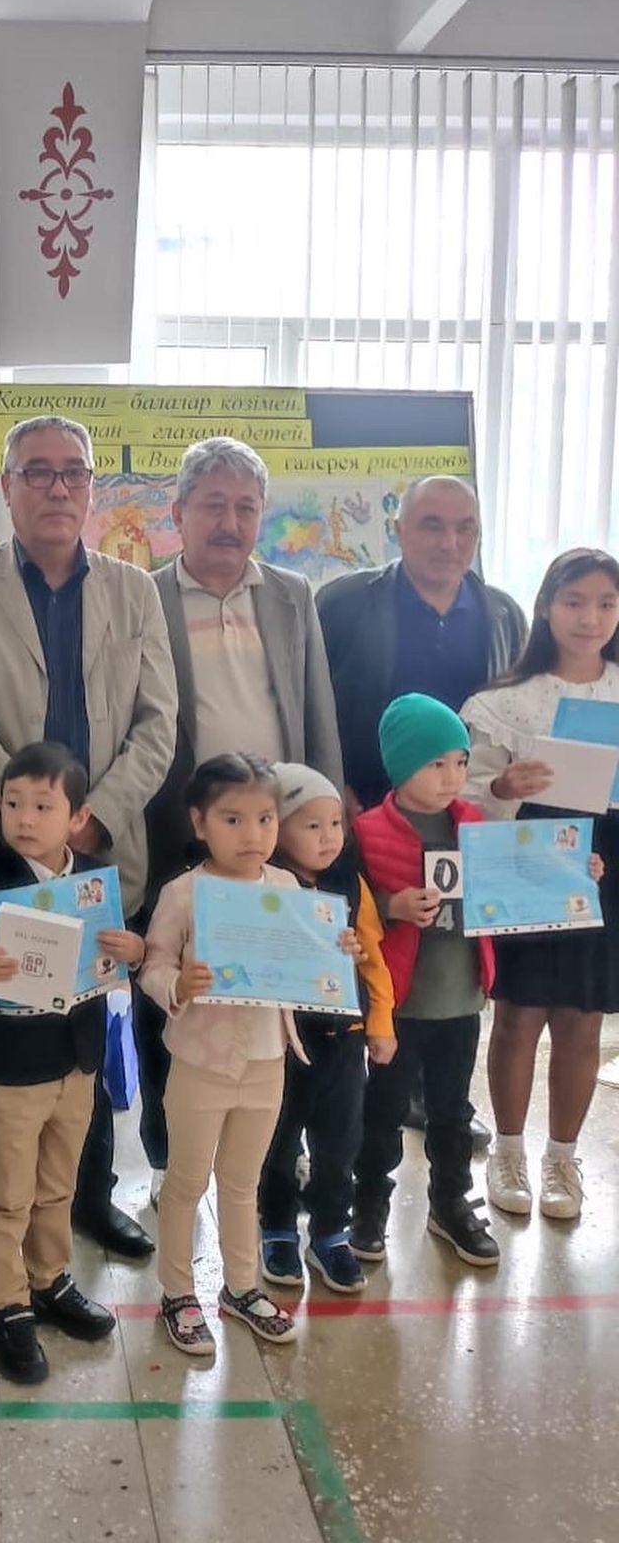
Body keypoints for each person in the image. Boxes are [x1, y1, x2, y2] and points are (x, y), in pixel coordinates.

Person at [0, 414, 177, 1259]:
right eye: (37, 471)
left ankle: (88, 1201)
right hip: (7, 852)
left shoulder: (135, 590)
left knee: (88, 1031)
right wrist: (32, 819)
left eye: (74, 471)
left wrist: (92, 818)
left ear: (92, 488)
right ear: (7, 486)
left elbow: (159, 723)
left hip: (102, 843)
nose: (58, 486)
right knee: (4, 1035)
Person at [144, 436, 343, 1205]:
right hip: (182, 833)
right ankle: (170, 1158)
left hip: (277, 835)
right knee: (180, 994)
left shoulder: (291, 593)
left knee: (272, 999)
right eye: (214, 505)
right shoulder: (146, 595)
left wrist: (321, 812)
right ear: (179, 512)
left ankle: (268, 1156)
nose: (230, 522)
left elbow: (316, 708)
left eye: (246, 507)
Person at [318, 473, 524, 1147]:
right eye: (432, 524)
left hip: (459, 824)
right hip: (365, 819)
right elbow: (315, 702)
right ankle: (358, 1113)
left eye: (465, 527)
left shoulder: (501, 614)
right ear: (399, 529)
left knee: (445, 960)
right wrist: (336, 793)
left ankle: (439, 1102)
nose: (449, 541)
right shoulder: (345, 603)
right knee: (365, 951)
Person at [140, 754, 360, 1357]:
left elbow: (310, 962)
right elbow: (153, 964)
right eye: (232, 819)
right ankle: (177, 1293)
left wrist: (338, 949)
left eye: (265, 819)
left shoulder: (287, 889)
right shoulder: (184, 893)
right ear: (200, 822)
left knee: (243, 1182)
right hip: (200, 1063)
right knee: (186, 1182)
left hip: (267, 1060)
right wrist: (176, 985)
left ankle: (240, 1287)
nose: (253, 834)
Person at [0, 742, 146, 1384]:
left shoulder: (93, 880)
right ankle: (7, 1306)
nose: (25, 818)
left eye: (42, 806)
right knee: (7, 1196)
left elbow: (110, 960)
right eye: (13, 804)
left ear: (77, 816)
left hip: (77, 1063)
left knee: (59, 1183)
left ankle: (50, 1279)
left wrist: (132, 951)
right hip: (10, 1069)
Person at [461, 548, 619, 1222]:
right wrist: (503, 787)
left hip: (608, 863)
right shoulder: (505, 702)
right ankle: (508, 1151)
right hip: (527, 857)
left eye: (606, 603)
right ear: (547, 607)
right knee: (519, 1014)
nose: (590, 618)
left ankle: (562, 1156)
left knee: (582, 1018)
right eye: (574, 601)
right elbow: (465, 798)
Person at [349, 694, 499, 1268]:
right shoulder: (368, 831)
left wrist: (572, 875)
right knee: (383, 1111)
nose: (451, 777)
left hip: (461, 999)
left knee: (452, 1111)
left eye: (459, 762)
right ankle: (369, 1205)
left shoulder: (472, 823)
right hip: (399, 1007)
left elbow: (512, 884)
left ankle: (450, 1203)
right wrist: (392, 906)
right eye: (435, 763)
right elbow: (348, 905)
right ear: (401, 764)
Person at [258, 764, 396, 1295]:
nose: (328, 837)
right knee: (277, 1139)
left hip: (344, 1038)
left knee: (339, 1143)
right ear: (278, 829)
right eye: (311, 825)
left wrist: (380, 1025)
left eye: (335, 823)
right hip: (282, 1040)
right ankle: (277, 1228)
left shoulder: (350, 884)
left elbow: (374, 961)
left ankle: (330, 1233)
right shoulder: (263, 885)